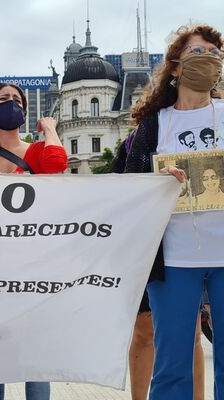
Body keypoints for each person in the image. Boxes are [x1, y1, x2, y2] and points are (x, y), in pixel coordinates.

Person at [124, 23, 224, 400]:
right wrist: (156, 179)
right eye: (199, 52)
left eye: (216, 54)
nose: (210, 60)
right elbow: (130, 186)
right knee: (171, 367)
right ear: (176, 67)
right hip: (174, 259)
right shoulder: (155, 124)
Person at [0, 83, 68, 400]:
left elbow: (57, 164)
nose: (11, 104)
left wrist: (49, 129)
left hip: (31, 270)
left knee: (34, 360)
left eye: (17, 100)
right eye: (3, 99)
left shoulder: (35, 151)